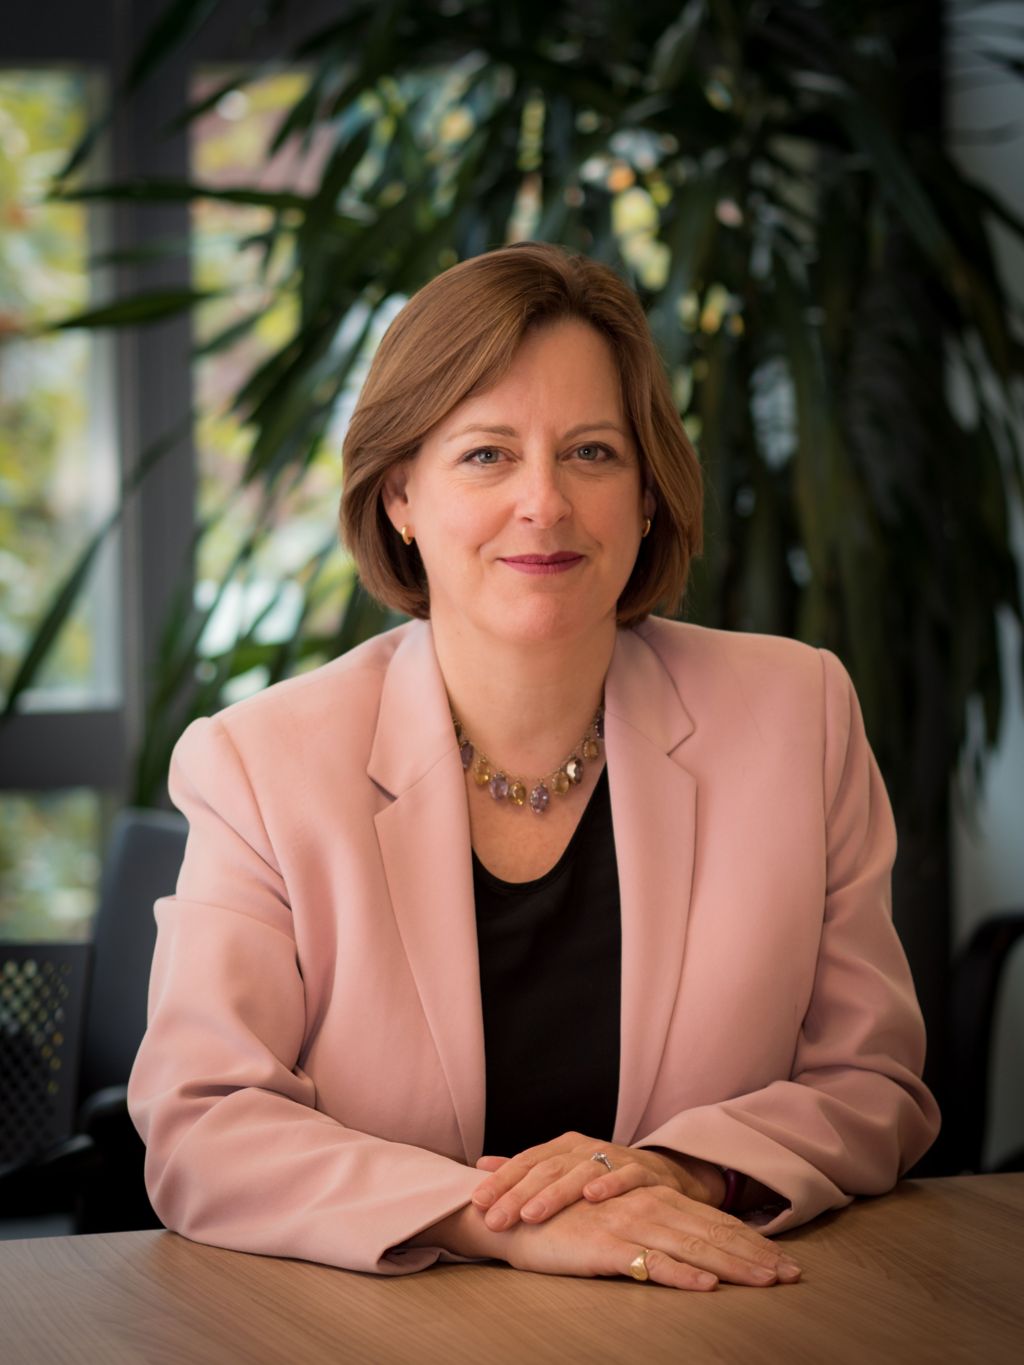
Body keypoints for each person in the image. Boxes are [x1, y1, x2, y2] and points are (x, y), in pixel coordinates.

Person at [127, 242, 941, 1292]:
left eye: (593, 453)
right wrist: (495, 1220)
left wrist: (679, 1173)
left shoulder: (798, 715)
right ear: (400, 500)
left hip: (716, 1326)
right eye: (485, 454)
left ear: (648, 492)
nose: (545, 504)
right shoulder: (259, 765)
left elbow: (871, 1081)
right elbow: (201, 1125)